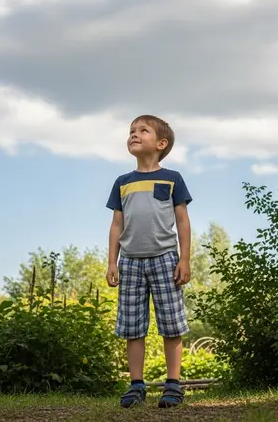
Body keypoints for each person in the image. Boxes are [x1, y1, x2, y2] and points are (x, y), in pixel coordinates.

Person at [105, 114, 192, 409]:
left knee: (171, 323)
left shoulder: (172, 179)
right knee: (132, 326)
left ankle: (173, 384)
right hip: (129, 262)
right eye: (131, 130)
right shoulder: (122, 183)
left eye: (143, 130)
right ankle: (136, 385)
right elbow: (117, 225)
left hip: (165, 260)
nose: (134, 134)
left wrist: (185, 259)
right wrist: (112, 262)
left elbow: (182, 220)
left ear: (161, 143)